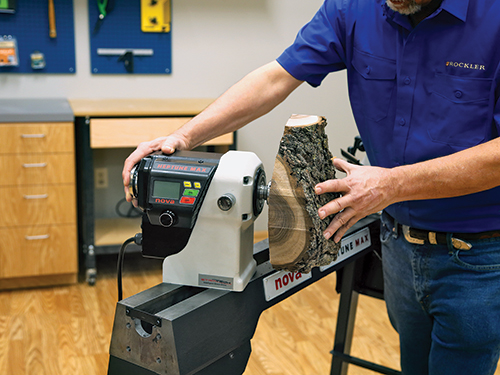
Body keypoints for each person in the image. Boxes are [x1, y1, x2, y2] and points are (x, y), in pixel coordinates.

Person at [123, 0, 500, 373]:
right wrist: (182, 137)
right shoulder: (353, 8)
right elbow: (275, 78)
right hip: (399, 244)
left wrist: (393, 184)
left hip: (477, 257)